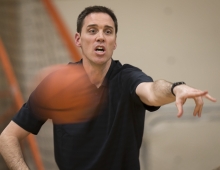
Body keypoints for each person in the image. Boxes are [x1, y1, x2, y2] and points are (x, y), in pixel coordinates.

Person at [0, 5, 217, 170]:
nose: (100, 37)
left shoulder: (127, 77)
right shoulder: (58, 84)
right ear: (78, 38)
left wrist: (175, 88)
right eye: (92, 31)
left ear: (115, 41)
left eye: (108, 31)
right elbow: (7, 137)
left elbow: (152, 91)